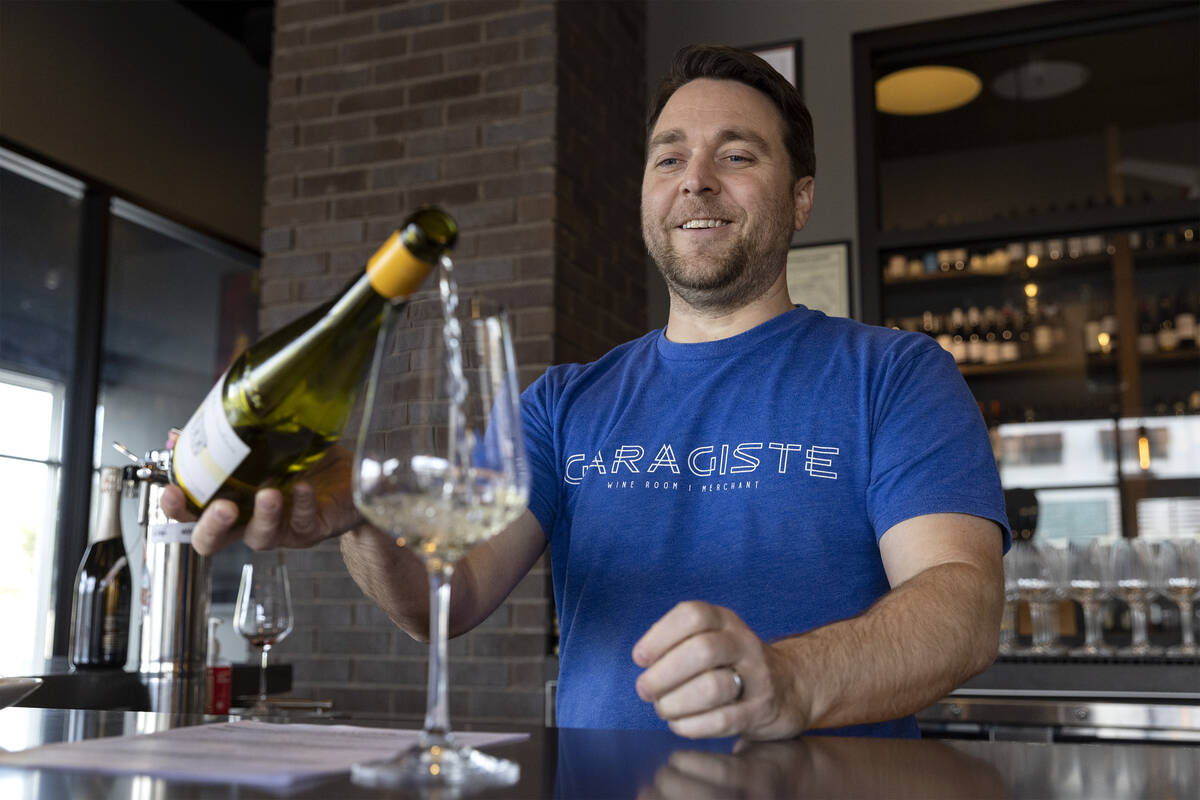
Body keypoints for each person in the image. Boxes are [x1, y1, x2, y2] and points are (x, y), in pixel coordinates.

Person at [164, 44, 1009, 740]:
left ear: (801, 199)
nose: (696, 179)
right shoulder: (566, 402)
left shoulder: (896, 374)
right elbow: (438, 604)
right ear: (646, 192)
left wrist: (790, 680)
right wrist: (362, 520)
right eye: (669, 156)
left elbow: (961, 607)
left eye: (737, 155)